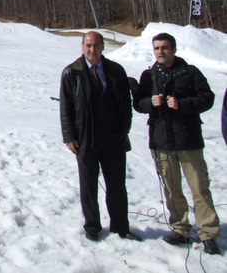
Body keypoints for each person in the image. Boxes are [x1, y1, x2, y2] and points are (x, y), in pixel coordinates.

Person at [133, 32, 220, 255]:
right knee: (172, 190)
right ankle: (180, 229)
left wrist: (181, 103)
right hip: (161, 139)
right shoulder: (149, 75)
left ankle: (208, 233)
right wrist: (149, 103)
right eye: (157, 48)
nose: (160, 52)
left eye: (165, 47)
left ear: (174, 49)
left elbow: (207, 98)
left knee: (200, 187)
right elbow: (138, 103)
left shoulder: (190, 73)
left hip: (188, 139)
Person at [60, 31, 141, 242]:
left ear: (103, 46)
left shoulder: (116, 70)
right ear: (82, 46)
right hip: (86, 140)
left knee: (117, 186)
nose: (92, 50)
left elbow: (126, 103)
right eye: (88, 45)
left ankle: (121, 227)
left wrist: (125, 128)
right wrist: (69, 136)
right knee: (88, 187)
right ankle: (92, 226)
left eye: (96, 45)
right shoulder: (72, 73)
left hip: (113, 139)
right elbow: (66, 108)